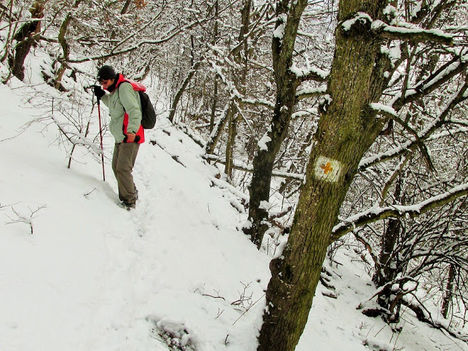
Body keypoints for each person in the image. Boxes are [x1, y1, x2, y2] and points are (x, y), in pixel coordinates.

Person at [94, 65, 145, 209]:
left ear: (112, 78)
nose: (103, 86)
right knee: (116, 167)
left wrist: (131, 132)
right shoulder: (116, 91)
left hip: (130, 136)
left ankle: (129, 201)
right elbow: (113, 105)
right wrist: (102, 96)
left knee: (123, 168)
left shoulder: (124, 88)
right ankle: (131, 192)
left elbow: (134, 110)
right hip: (120, 137)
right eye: (101, 84)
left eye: (105, 83)